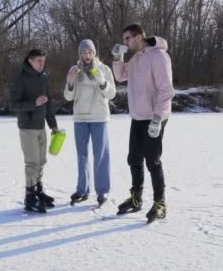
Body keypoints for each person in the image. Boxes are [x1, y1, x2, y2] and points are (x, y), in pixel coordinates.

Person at [111, 24, 175, 223]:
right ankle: (136, 198)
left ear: (139, 36)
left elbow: (166, 90)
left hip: (154, 117)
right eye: (124, 40)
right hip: (138, 117)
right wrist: (117, 58)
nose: (126, 43)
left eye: (127, 39)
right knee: (134, 159)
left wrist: (157, 117)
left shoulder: (158, 56)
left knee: (152, 161)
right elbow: (121, 76)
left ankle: (160, 204)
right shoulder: (137, 58)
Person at [64, 39, 116, 206]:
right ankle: (82, 190)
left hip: (99, 117)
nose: (87, 56)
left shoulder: (104, 69)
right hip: (80, 117)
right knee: (81, 155)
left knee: (100, 155)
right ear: (80, 54)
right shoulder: (74, 69)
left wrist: (102, 82)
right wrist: (70, 82)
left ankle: (103, 191)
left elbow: (112, 94)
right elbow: (68, 96)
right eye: (84, 53)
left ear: (94, 53)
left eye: (89, 52)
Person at [10, 48, 59, 213]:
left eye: (43, 61)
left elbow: (49, 104)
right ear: (30, 61)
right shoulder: (21, 78)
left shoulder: (44, 78)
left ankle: (38, 191)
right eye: (39, 61)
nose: (42, 64)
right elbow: (14, 104)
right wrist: (34, 103)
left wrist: (53, 125)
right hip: (27, 127)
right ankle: (29, 198)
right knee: (32, 163)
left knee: (41, 161)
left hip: (41, 127)